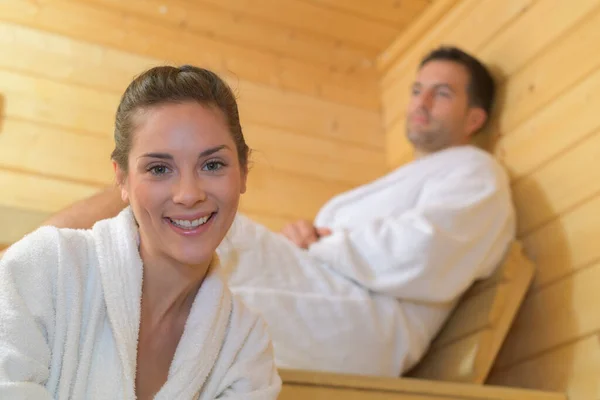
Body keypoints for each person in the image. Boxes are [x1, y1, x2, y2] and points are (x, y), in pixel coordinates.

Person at [2, 46, 516, 377]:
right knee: (171, 213)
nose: (421, 102)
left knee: (212, 229)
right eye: (416, 89)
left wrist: (326, 244)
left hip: (367, 327)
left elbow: (425, 255)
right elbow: (348, 241)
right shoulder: (390, 184)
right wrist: (305, 236)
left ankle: (14, 281)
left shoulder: (477, 174)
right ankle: (18, 279)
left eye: (441, 93)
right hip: (328, 285)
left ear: (475, 116)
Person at [0, 66, 281, 399]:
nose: (189, 194)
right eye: (159, 169)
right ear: (122, 179)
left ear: (244, 171)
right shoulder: (45, 269)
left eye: (213, 165)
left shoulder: (246, 345)